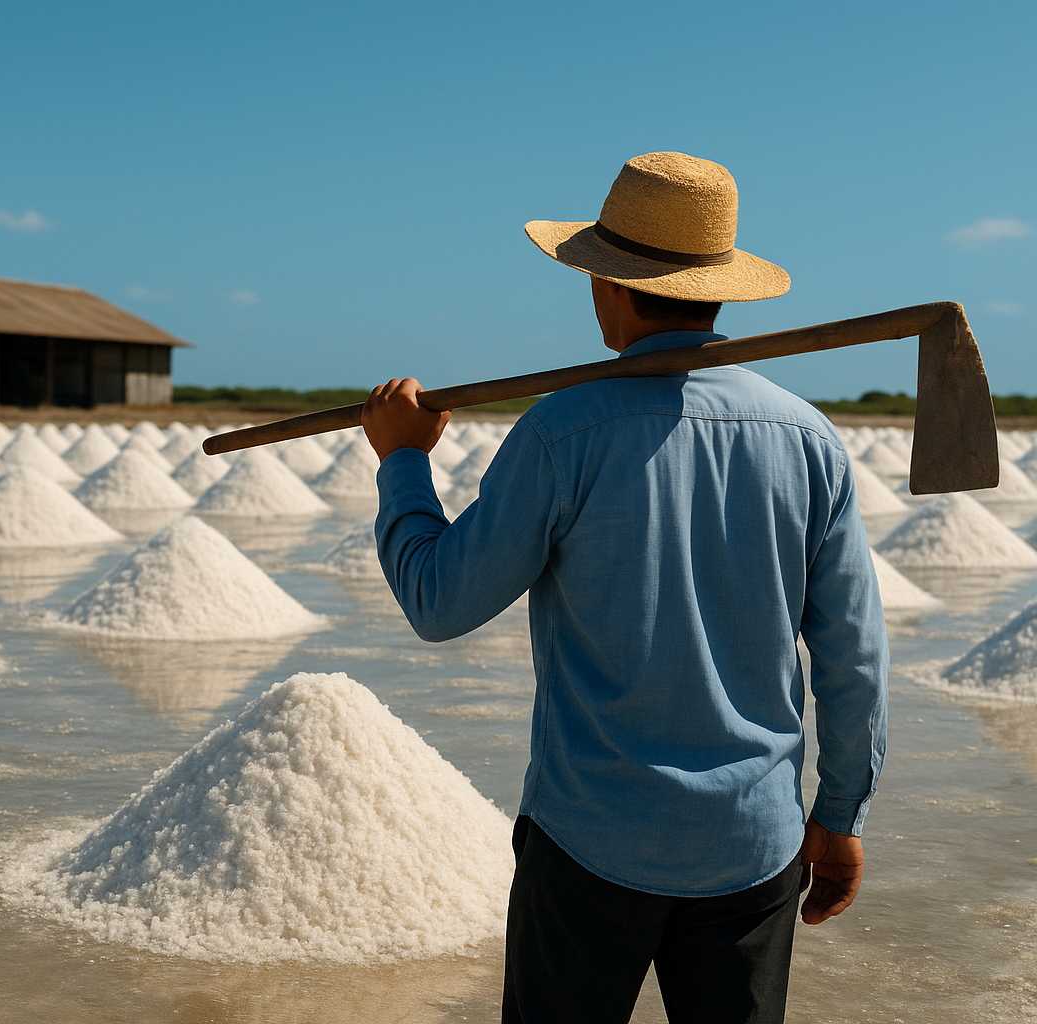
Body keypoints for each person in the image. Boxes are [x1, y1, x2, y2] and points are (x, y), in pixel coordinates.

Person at [361, 152, 889, 1024]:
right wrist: (841, 813)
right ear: (720, 288)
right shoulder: (807, 439)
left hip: (588, 844)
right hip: (753, 847)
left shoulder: (564, 431)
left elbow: (439, 602)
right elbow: (854, 657)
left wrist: (405, 463)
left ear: (607, 284)